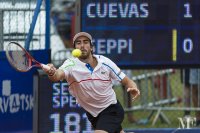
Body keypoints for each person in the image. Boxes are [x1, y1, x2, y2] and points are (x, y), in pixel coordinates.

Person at [43, 32, 140, 133]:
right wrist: (52, 72)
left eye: (85, 42)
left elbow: (127, 81)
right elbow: (57, 76)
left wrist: (133, 87)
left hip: (111, 109)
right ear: (75, 48)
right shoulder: (70, 64)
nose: (82, 45)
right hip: (93, 115)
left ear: (91, 47)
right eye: (78, 43)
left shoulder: (105, 63)